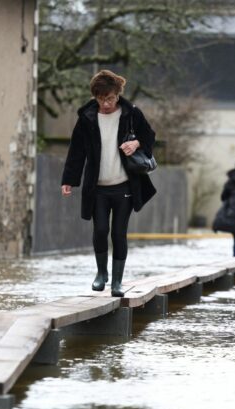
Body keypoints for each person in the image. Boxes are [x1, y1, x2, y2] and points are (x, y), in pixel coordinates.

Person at [61, 70, 157, 297]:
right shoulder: (87, 118)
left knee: (118, 233)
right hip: (98, 187)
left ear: (117, 94)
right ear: (95, 96)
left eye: (110, 98)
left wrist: (136, 144)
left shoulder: (131, 113)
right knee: (100, 229)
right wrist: (69, 180)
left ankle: (117, 282)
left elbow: (150, 136)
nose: (106, 103)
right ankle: (101, 274)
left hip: (124, 184)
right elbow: (77, 150)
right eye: (101, 98)